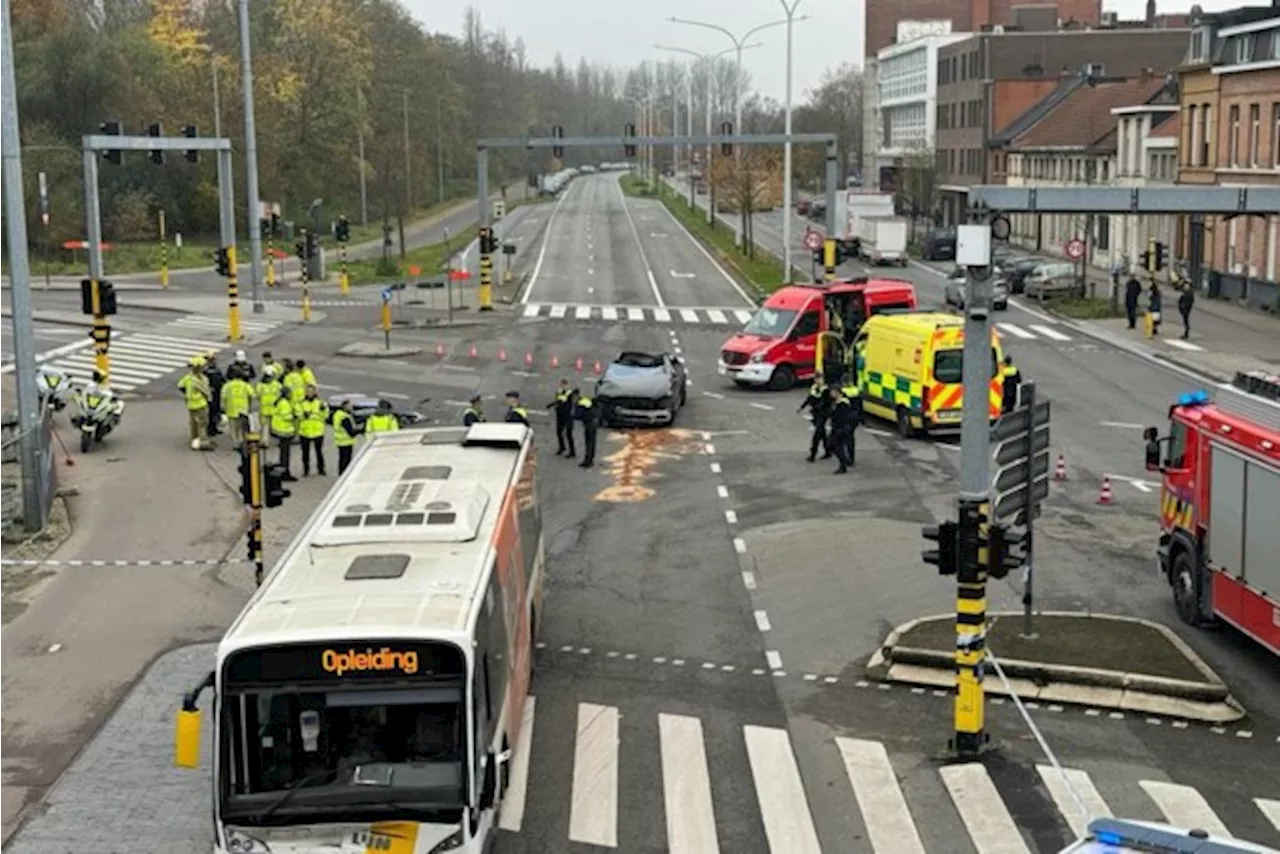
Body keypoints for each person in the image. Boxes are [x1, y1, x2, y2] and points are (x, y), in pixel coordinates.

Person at [178, 359, 214, 450]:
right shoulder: (201, 379)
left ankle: (194, 440)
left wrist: (186, 394)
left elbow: (180, 386)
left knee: (193, 423)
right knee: (202, 423)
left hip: (191, 404)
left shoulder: (188, 378)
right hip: (201, 404)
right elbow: (206, 390)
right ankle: (203, 442)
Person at [297, 385, 329, 476]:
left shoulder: (320, 402)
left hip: (317, 431)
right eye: (308, 391)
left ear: (315, 392)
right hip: (305, 431)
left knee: (319, 452)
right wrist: (303, 415)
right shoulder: (301, 403)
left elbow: (326, 415)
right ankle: (306, 470)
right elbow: (298, 413)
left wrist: (322, 411)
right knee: (305, 453)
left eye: (311, 391)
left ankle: (321, 469)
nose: (309, 393)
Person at [797, 376, 831, 463]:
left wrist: (816, 407)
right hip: (816, 414)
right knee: (822, 433)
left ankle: (813, 454)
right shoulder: (813, 388)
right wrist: (802, 407)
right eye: (817, 379)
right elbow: (809, 399)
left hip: (823, 414)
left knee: (817, 434)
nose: (818, 381)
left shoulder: (826, 390)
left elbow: (824, 402)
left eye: (820, 379)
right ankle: (828, 451)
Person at [220, 369, 255, 449]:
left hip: (231, 409)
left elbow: (223, 396)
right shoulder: (245, 385)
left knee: (233, 428)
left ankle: (235, 443)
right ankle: (241, 442)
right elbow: (252, 395)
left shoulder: (227, 385)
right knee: (241, 428)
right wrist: (249, 405)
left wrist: (223, 407)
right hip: (243, 409)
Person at [828, 385, 857, 474]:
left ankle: (844, 464)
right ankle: (844, 463)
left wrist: (842, 428)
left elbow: (842, 417)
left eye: (832, 392)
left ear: (838, 392)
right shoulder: (836, 402)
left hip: (840, 428)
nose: (831, 394)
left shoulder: (843, 404)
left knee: (835, 445)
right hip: (836, 427)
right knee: (833, 445)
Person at [270, 390, 298, 479]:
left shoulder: (280, 402)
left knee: (283, 453)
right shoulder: (284, 403)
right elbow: (287, 416)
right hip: (284, 431)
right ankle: (285, 473)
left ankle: (283, 471)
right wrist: (294, 415)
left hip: (280, 430)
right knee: (285, 454)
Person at [548, 379, 577, 457]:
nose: (563, 386)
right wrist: (552, 405)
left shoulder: (570, 394)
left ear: (567, 385)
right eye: (562, 385)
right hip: (560, 415)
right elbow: (557, 400)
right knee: (559, 432)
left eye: (565, 385)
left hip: (568, 416)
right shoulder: (559, 392)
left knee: (568, 434)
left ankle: (572, 451)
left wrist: (572, 414)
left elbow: (573, 405)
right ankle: (562, 447)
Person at [256, 370, 283, 449]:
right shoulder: (277, 385)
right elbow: (281, 394)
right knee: (270, 426)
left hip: (265, 409)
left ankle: (265, 441)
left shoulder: (260, 385)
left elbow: (258, 395)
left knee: (265, 426)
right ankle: (266, 441)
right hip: (273, 409)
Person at [332, 399, 359, 475]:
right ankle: (344, 475)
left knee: (342, 460)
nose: (352, 407)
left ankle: (341, 474)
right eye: (350, 405)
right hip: (346, 441)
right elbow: (351, 432)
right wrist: (361, 430)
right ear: (345, 406)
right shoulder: (344, 417)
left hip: (340, 441)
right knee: (346, 461)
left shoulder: (338, 414)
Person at [575, 384, 599, 469]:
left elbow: (578, 415)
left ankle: (587, 461)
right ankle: (591, 460)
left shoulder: (580, 402)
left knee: (588, 442)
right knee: (592, 442)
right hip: (594, 421)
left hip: (589, 423)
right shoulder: (585, 400)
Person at [203, 352, 226, 436]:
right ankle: (210, 429)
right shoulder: (205, 371)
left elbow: (222, 379)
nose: (214, 362)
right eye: (211, 360)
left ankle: (215, 427)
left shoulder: (217, 369)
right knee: (210, 412)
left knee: (216, 410)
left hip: (217, 393)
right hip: (210, 393)